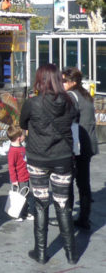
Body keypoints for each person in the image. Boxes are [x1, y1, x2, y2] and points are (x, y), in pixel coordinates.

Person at [20, 64, 78, 265]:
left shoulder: (33, 103)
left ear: (40, 80)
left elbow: (22, 123)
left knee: (41, 204)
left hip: (38, 159)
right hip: (62, 158)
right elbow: (74, 121)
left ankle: (41, 252)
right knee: (63, 205)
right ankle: (71, 254)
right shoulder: (70, 102)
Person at [62, 66, 99, 230]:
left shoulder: (71, 96)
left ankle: (67, 217)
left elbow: (69, 121)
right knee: (84, 182)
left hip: (77, 144)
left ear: (73, 82)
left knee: (68, 181)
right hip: (89, 143)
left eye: (64, 81)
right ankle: (84, 217)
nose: (61, 84)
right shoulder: (86, 95)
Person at [6, 124, 34, 221]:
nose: (24, 136)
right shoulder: (13, 151)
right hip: (19, 179)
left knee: (25, 196)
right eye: (22, 135)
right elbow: (11, 167)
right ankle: (18, 214)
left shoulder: (21, 147)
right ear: (19, 138)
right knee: (19, 198)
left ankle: (25, 213)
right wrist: (14, 181)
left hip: (25, 176)